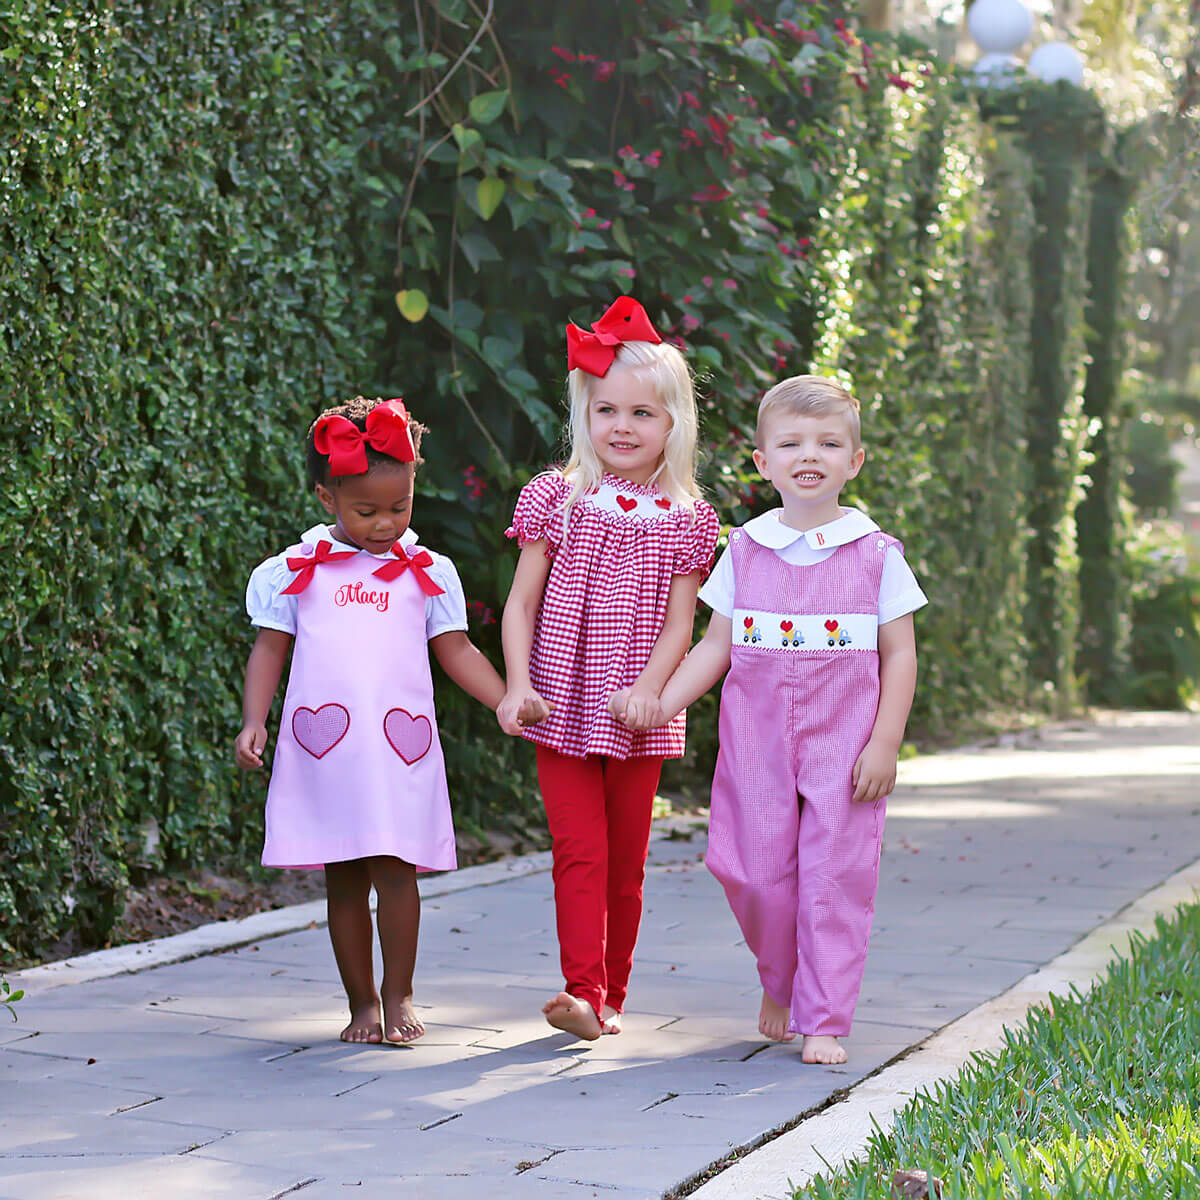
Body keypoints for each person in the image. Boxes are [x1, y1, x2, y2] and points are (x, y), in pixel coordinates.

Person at [612, 375, 926, 1064]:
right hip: (756, 741)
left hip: (845, 743)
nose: (809, 454)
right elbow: (715, 645)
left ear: (854, 461)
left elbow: (899, 654)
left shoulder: (876, 554)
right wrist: (661, 703)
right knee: (749, 870)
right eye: (791, 442)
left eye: (828, 442)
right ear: (763, 462)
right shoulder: (746, 549)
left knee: (833, 876)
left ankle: (824, 1018)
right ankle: (779, 980)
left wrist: (884, 743)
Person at [235, 395, 507, 1046]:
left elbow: (458, 650)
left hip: (398, 752)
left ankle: (399, 992)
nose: (386, 524)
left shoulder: (427, 572)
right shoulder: (295, 572)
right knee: (345, 877)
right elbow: (270, 648)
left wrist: (505, 700)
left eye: (399, 507)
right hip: (326, 754)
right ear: (327, 498)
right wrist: (254, 721)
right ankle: (360, 1002)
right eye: (367, 511)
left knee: (398, 870)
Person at [496, 296, 719, 1041]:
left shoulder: (687, 517)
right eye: (607, 411)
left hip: (638, 710)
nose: (622, 427)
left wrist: (651, 692)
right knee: (578, 851)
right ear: (584, 416)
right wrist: (520, 684)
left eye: (642, 414)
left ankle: (613, 993)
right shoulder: (558, 499)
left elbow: (682, 622)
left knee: (626, 861)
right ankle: (580, 992)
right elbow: (521, 603)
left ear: (673, 424)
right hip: (558, 702)